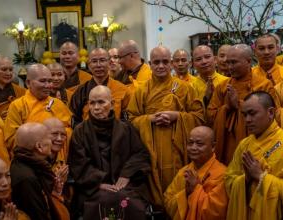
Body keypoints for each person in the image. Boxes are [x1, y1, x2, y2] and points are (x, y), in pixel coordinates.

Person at [127, 46, 204, 207]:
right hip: (151, 149)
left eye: (165, 62)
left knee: (179, 191)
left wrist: (177, 116)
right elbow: (131, 120)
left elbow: (199, 117)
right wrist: (149, 119)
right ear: (150, 63)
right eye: (156, 62)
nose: (161, 66)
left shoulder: (185, 88)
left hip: (179, 148)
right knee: (154, 192)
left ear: (171, 64)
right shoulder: (142, 91)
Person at [69, 85, 150, 219]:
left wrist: (126, 175)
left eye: (101, 102)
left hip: (124, 185)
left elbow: (140, 155)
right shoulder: (80, 131)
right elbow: (78, 162)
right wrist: (99, 183)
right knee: (104, 200)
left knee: (126, 199)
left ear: (112, 104)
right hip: (93, 188)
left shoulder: (126, 129)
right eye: (92, 103)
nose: (96, 108)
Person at [225, 91, 283, 220]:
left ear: (271, 112)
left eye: (252, 113)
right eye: (244, 115)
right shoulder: (244, 145)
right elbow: (229, 179)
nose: (247, 120)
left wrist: (261, 176)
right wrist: (245, 179)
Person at [207, 44, 276, 164]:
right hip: (227, 143)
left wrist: (239, 105)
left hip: (257, 142)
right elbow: (210, 115)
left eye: (234, 62)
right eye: (228, 63)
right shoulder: (222, 87)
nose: (229, 67)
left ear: (248, 61)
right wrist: (227, 108)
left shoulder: (263, 85)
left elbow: (272, 116)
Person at [4, 64, 72, 153]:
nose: (48, 85)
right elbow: (11, 139)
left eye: (49, 81)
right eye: (43, 81)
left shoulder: (58, 104)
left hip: (57, 159)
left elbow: (68, 132)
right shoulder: (18, 105)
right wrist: (41, 143)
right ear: (28, 83)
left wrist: (55, 138)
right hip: (30, 159)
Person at [164, 126, 228, 220]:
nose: (193, 148)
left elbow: (217, 212)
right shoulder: (184, 171)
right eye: (190, 143)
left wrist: (195, 189)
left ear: (213, 147)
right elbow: (167, 202)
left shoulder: (222, 174)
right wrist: (185, 193)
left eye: (199, 144)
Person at [10, 123, 69, 220]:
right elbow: (39, 215)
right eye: (48, 138)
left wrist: (55, 192)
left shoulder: (29, 163)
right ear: (39, 146)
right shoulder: (27, 178)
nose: (53, 142)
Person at [70, 48, 130, 125]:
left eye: (102, 60)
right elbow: (74, 120)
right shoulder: (81, 91)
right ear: (89, 65)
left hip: (116, 134)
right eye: (94, 61)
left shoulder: (122, 89)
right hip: (88, 134)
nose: (98, 65)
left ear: (109, 63)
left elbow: (127, 118)